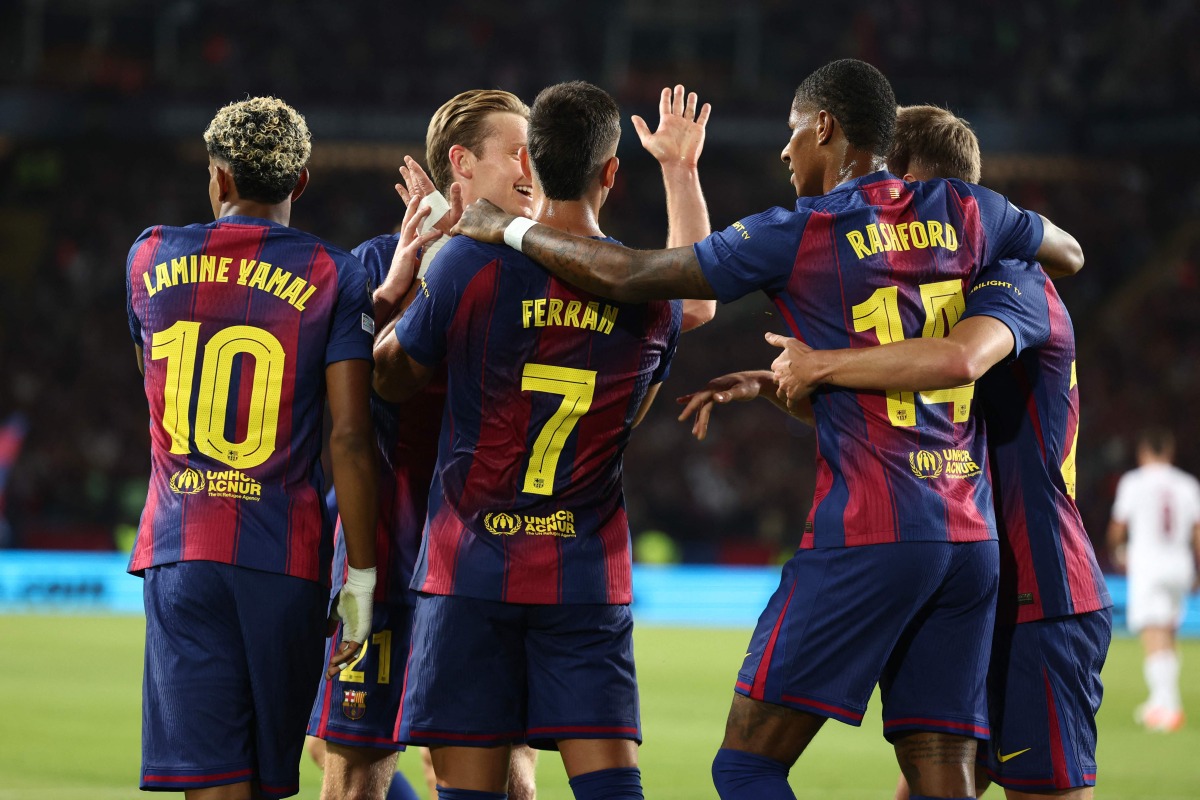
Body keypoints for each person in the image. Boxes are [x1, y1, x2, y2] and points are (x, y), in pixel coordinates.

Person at [452, 59, 1083, 800]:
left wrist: (509, 227)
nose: (784, 154)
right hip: (968, 539)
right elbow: (1067, 253)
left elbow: (631, 276)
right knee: (942, 775)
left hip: (871, 530)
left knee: (747, 763)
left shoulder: (801, 229)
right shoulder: (966, 207)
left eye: (792, 135)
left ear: (825, 127)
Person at [764, 105, 1111, 799]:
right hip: (971, 571)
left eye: (885, 179)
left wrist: (825, 366)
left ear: (913, 184)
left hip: (1037, 586)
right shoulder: (945, 294)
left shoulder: (1013, 278)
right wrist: (788, 385)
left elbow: (958, 361)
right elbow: (908, 414)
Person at [374, 79, 708, 800]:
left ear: (529, 165)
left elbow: (393, 378)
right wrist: (681, 172)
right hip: (584, 575)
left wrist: (396, 299)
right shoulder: (651, 298)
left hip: (468, 571)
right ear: (612, 171)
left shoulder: (464, 265)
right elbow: (692, 303)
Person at [125, 96, 378, 800]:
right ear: (300, 182)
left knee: (210, 782)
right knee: (270, 780)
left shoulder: (148, 254)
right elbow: (351, 437)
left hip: (181, 548)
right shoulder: (335, 273)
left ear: (218, 178)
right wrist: (359, 576)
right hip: (285, 558)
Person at [306, 89, 539, 800]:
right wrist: (414, 280)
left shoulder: (546, 264)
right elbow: (315, 399)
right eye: (517, 152)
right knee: (346, 758)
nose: (535, 167)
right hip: (372, 562)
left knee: (501, 774)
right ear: (463, 163)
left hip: (492, 560)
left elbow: (682, 308)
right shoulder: (377, 263)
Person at [1108, 427, 1200, 732]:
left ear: (1144, 452)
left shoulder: (1134, 482)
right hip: (1180, 563)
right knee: (1169, 631)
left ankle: (1166, 705)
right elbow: (1197, 532)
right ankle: (1164, 701)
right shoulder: (1187, 484)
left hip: (1149, 564)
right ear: (1169, 452)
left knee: (1153, 631)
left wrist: (1117, 551)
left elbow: (1118, 526)